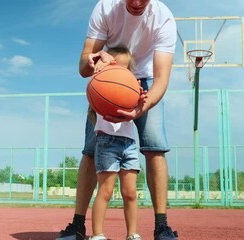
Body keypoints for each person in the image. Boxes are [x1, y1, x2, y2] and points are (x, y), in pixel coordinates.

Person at [57, 0, 178, 239]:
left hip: (145, 81)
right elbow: (83, 66)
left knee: (155, 148)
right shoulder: (105, 8)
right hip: (109, 81)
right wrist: (91, 62)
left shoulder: (163, 18)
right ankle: (78, 225)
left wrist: (143, 104)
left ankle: (161, 226)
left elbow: (162, 79)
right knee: (91, 150)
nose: (136, 3)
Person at [89, 47, 144, 240]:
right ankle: (97, 234)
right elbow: (97, 63)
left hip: (129, 143)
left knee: (130, 192)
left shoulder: (132, 88)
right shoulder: (100, 84)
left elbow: (139, 108)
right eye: (115, 67)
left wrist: (140, 101)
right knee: (105, 191)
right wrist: (103, 60)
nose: (119, 73)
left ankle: (132, 234)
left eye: (124, 69)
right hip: (106, 141)